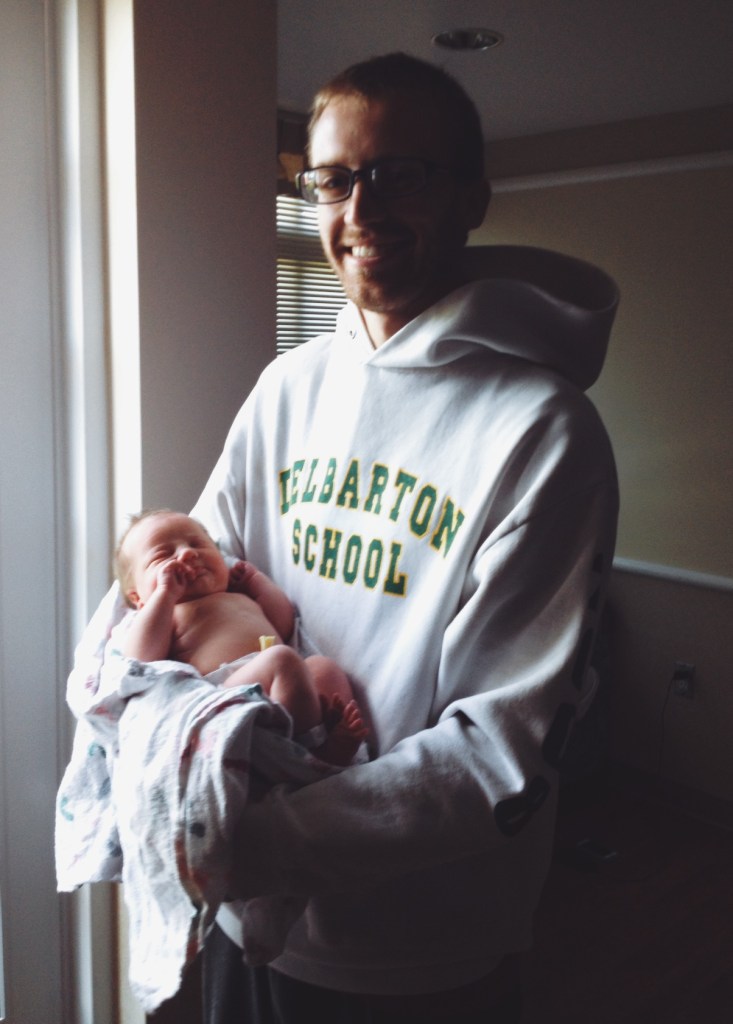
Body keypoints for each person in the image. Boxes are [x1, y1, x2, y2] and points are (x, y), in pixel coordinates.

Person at [58, 51, 619, 1023]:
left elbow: (498, 746)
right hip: (241, 916)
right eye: (333, 178)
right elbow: (190, 573)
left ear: (472, 197)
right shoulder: (288, 386)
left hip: (416, 952)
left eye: (400, 174)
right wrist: (108, 700)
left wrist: (243, 842)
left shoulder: (544, 432)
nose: (360, 209)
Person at [114, 508, 366, 765]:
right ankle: (304, 755)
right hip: (224, 693)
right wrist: (164, 595)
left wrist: (257, 582)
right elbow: (139, 660)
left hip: (279, 680)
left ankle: (329, 740)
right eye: (163, 555)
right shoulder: (166, 614)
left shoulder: (239, 596)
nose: (187, 553)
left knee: (324, 669)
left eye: (197, 544)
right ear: (138, 598)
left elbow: (284, 624)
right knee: (282, 660)